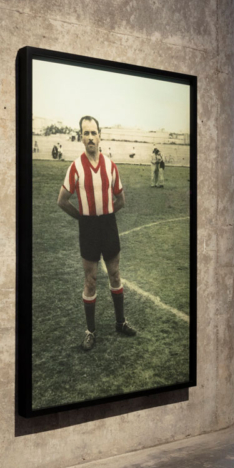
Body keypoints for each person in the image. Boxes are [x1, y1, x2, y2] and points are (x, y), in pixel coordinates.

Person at [57, 115, 137, 351]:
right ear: (81, 137)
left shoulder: (111, 165)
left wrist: (108, 213)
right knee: (90, 280)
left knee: (114, 274)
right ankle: (90, 331)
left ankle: (120, 322)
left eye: (94, 133)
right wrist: (83, 218)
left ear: (100, 135)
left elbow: (121, 199)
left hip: (108, 225)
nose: (90, 137)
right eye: (86, 133)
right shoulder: (75, 167)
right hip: (88, 228)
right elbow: (62, 201)